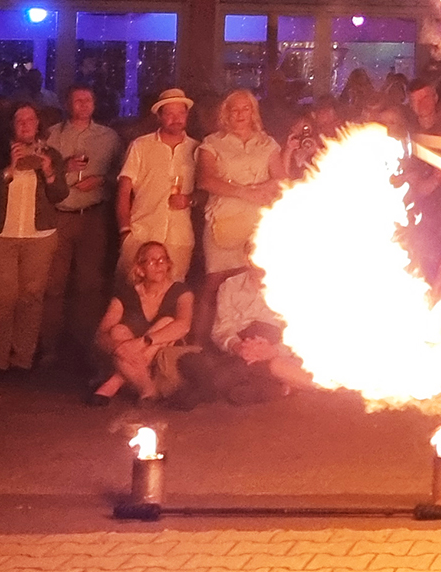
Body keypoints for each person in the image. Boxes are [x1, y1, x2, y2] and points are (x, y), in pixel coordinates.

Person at [0, 102, 69, 375]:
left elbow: (60, 195)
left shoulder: (50, 154)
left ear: (38, 124)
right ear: (11, 125)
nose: (25, 124)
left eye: (30, 119)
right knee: (2, 296)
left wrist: (49, 172)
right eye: (19, 120)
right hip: (1, 235)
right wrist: (9, 168)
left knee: (31, 296)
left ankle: (23, 358)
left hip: (39, 235)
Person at [41, 83, 119, 369]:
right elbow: (39, 172)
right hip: (60, 214)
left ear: (94, 104)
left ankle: (87, 347)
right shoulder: (52, 135)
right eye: (77, 100)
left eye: (88, 100)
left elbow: (122, 174)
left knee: (89, 284)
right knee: (54, 284)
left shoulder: (109, 137)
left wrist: (101, 180)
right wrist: (64, 166)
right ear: (67, 104)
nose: (83, 105)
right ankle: (49, 347)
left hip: (93, 216)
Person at [198, 86, 283, 305]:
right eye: (234, 110)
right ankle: (202, 328)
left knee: (257, 283)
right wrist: (244, 192)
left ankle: (246, 326)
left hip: (258, 224)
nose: (240, 114)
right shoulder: (212, 143)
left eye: (246, 109)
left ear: (253, 112)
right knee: (216, 283)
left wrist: (260, 188)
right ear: (225, 113)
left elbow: (282, 180)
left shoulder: (267, 143)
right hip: (223, 221)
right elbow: (206, 180)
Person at [93, 240, 195, 404]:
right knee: (117, 331)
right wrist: (118, 348)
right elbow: (101, 334)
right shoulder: (126, 294)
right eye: (152, 261)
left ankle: (115, 381)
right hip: (129, 361)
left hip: (162, 361)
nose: (159, 264)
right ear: (140, 270)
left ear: (168, 265)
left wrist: (142, 342)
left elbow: (184, 325)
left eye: (162, 259)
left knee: (167, 322)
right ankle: (147, 389)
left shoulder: (181, 291)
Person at [201, 261, 311, 403]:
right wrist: (239, 347)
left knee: (223, 379)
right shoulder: (230, 286)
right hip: (244, 346)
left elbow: (305, 334)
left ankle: (215, 386)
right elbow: (222, 329)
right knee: (226, 379)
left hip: (280, 350)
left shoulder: (294, 285)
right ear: (247, 259)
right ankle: (278, 387)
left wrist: (273, 351)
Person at [119, 89, 198, 281]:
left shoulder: (197, 148)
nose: (176, 119)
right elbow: (124, 191)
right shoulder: (141, 146)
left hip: (179, 238)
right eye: (170, 113)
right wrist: (125, 232)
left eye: (181, 113)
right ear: (159, 116)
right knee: (133, 291)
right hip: (142, 234)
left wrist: (189, 200)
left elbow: (204, 191)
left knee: (173, 291)